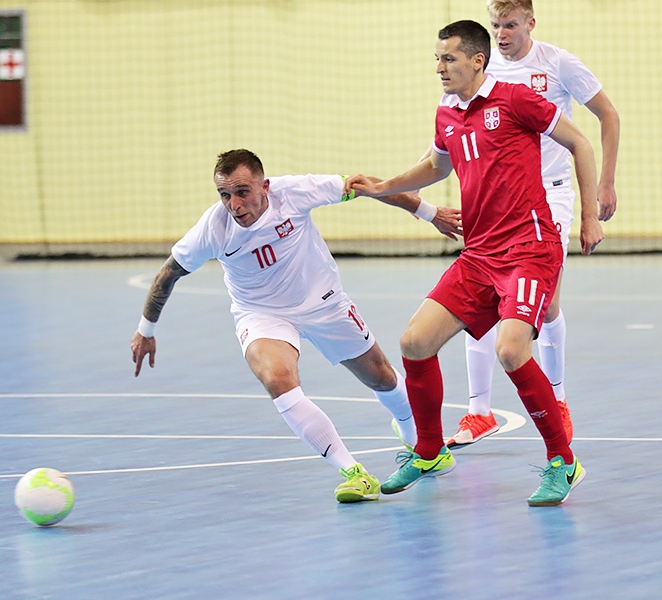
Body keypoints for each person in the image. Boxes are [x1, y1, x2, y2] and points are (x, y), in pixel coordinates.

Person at [345, 20, 603, 506]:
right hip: (480, 253)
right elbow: (437, 165)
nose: (439, 67)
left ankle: (563, 462)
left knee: (511, 350)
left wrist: (589, 215)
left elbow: (581, 143)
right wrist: (385, 187)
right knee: (414, 342)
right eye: (437, 58)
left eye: (448, 58)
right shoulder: (446, 112)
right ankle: (428, 451)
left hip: (529, 247)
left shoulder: (516, 99)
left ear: (477, 61)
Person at [130, 149, 463, 503]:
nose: (234, 204)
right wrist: (145, 330)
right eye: (224, 195)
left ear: (265, 187)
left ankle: (420, 442)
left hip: (323, 303)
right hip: (261, 313)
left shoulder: (294, 192)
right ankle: (353, 472)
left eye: (243, 192)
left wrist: (429, 213)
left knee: (381, 376)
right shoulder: (213, 229)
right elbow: (169, 272)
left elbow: (366, 186)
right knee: (277, 379)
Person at [447, 0, 620, 450]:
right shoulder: (479, 69)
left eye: (509, 24)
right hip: (497, 196)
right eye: (495, 25)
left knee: (544, 304)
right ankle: (479, 411)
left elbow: (608, 116)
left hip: (552, 192)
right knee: (480, 298)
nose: (501, 33)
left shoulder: (557, 63)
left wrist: (603, 186)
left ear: (529, 23)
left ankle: (557, 399)